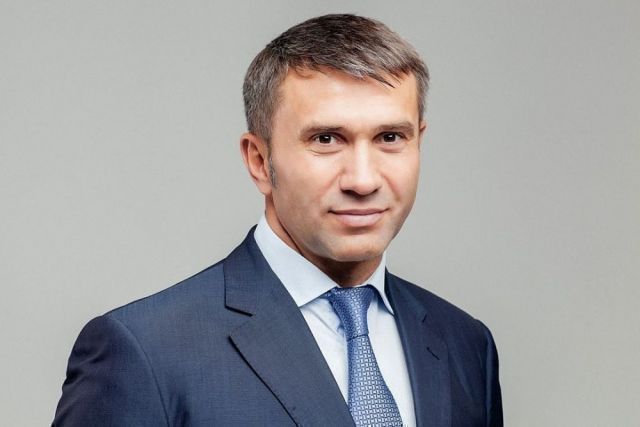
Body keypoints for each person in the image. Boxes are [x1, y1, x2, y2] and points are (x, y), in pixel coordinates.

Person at [53, 14, 503, 426]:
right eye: (326, 139)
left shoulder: (466, 345)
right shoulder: (146, 351)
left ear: (419, 141)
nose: (363, 180)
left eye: (390, 137)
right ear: (259, 160)